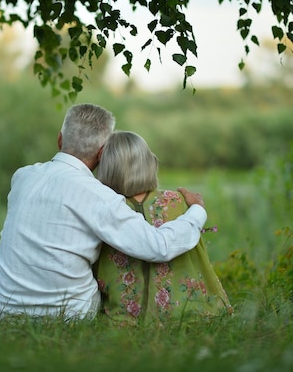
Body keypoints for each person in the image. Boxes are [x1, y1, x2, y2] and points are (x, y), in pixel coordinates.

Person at [0, 103, 209, 320]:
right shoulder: (100, 197)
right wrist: (197, 210)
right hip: (68, 315)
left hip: (0, 307)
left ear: (60, 139)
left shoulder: (22, 177)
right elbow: (158, 246)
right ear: (102, 154)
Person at [94, 131, 232, 325]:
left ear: (107, 169)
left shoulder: (105, 209)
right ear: (149, 163)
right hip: (182, 313)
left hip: (122, 316)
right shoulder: (176, 202)